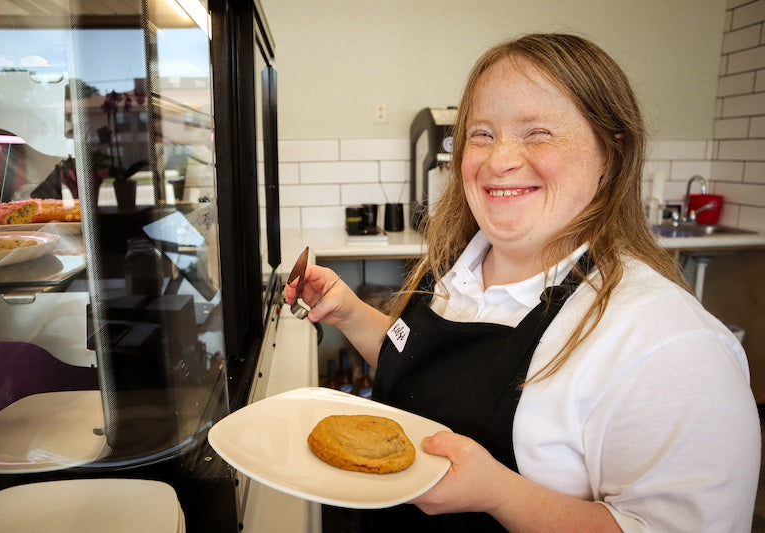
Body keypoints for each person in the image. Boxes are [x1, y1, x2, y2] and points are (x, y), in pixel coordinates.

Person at [284, 33, 760, 532]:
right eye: (482, 135)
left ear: (611, 154)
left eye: (538, 133)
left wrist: (499, 494)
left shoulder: (666, 342)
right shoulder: (456, 270)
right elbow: (424, 374)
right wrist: (349, 313)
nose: (499, 160)